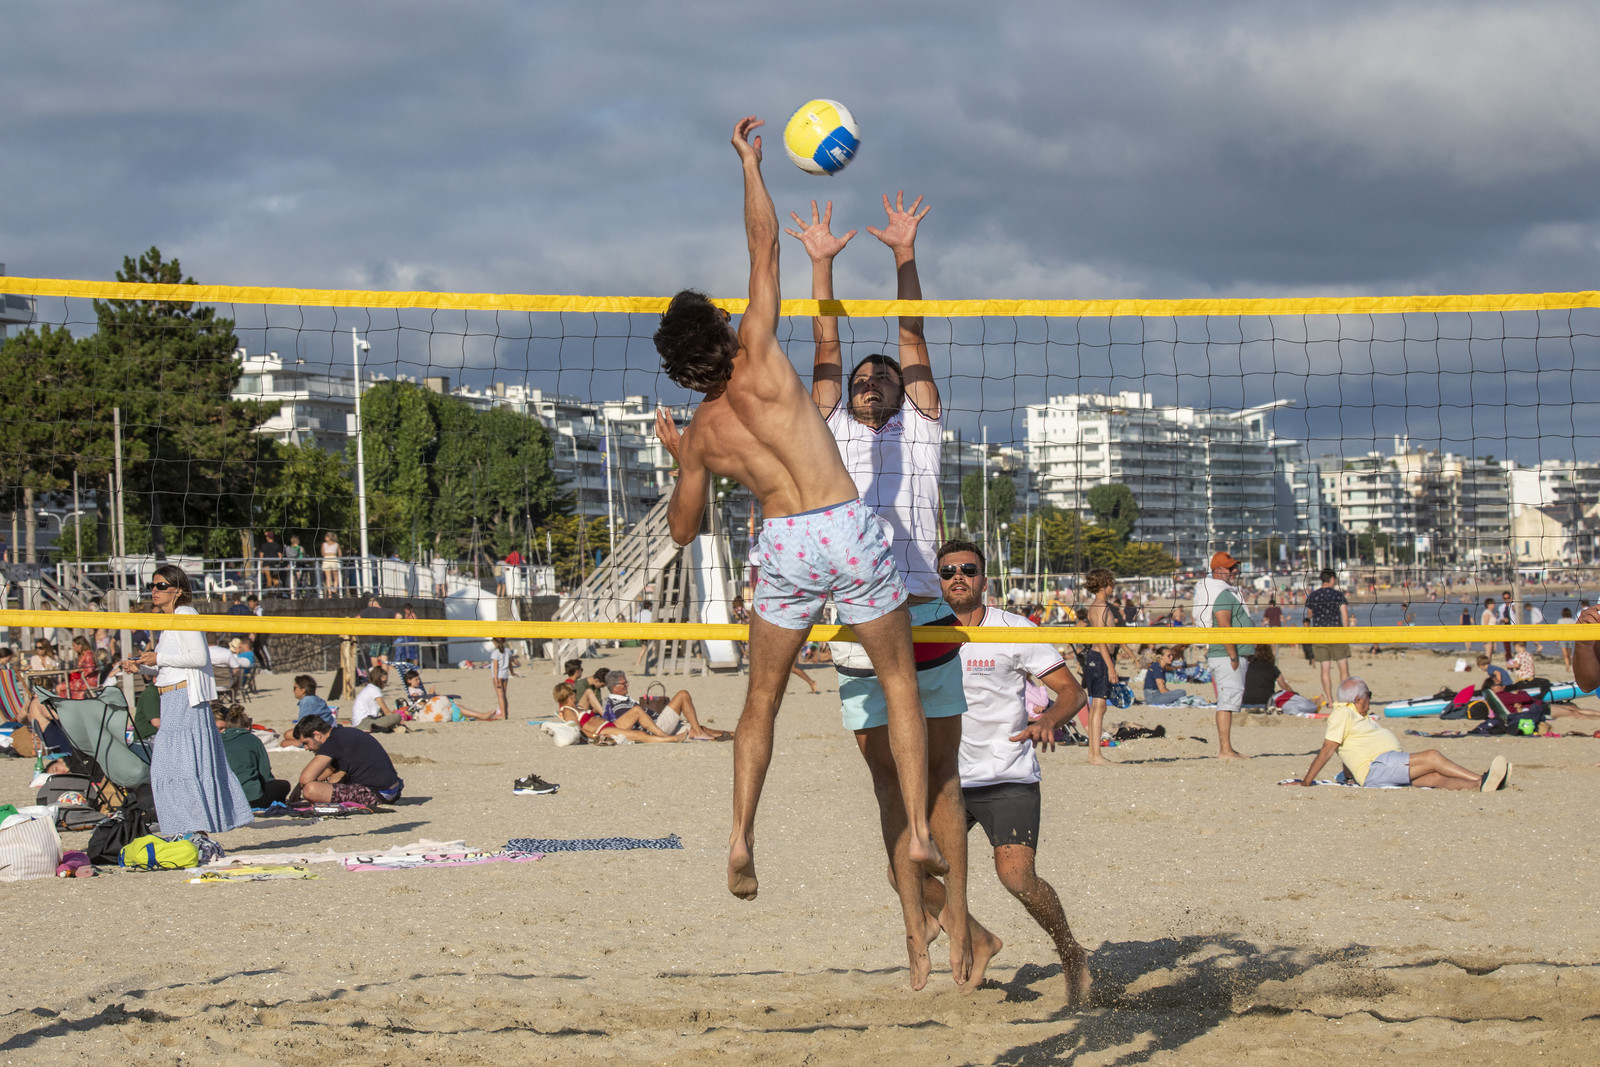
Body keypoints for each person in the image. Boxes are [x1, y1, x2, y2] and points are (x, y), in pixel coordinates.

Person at [651, 116, 951, 985]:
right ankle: (920, 831)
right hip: (842, 523)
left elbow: (681, 532)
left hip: (782, 541)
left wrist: (682, 460)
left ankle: (741, 833)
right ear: (721, 328)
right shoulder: (761, 354)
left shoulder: (703, 433)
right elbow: (764, 243)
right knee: (899, 682)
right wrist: (751, 163)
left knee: (761, 702)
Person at [787, 186, 976, 986]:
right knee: (885, 785)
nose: (870, 378)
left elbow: (911, 334)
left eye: (883, 375)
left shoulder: (922, 427)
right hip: (858, 616)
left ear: (905, 391)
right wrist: (820, 267)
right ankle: (918, 927)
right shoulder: (830, 427)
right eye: (862, 376)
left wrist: (904, 254)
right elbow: (826, 344)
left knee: (942, 782)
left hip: (924, 610)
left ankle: (959, 922)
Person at [931, 538, 1092, 1003]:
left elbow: (1072, 692)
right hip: (946, 780)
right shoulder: (924, 630)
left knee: (1017, 877)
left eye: (968, 570)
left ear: (984, 580)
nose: (958, 577)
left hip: (1007, 775)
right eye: (948, 571)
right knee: (904, 868)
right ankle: (980, 938)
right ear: (938, 581)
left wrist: (1049, 720)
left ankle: (1070, 951)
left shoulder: (1014, 629)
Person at [116, 565, 253, 835]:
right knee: (174, 768)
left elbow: (199, 658)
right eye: (152, 586)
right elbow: (173, 666)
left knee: (178, 767)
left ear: (178, 591)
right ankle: (189, 829)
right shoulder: (169, 621)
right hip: (171, 697)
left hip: (184, 698)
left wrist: (158, 657)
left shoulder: (185, 614)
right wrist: (141, 667)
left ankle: (194, 829)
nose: (154, 590)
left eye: (161, 586)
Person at [1290, 678, 1510, 791]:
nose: (1370, 700)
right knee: (1433, 756)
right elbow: (1328, 749)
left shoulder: (1355, 716)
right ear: (1358, 699)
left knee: (1435, 778)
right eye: (1369, 695)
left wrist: (1348, 776)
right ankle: (1480, 778)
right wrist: (1306, 782)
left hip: (1384, 766)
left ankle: (1478, 786)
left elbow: (1347, 750)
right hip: (1378, 767)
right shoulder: (1343, 713)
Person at [1191, 551, 1251, 759]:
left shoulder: (1224, 591)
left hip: (1228, 654)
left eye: (1235, 567)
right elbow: (1224, 626)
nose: (1235, 571)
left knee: (1229, 701)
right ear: (1217, 570)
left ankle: (1227, 748)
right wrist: (1233, 656)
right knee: (1227, 702)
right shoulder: (1222, 594)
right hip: (1227, 656)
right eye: (1230, 568)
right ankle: (1225, 750)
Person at [287, 716, 404, 806]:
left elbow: (305, 779)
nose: (306, 748)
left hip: (376, 793)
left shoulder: (332, 742)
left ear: (317, 735)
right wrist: (299, 787)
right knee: (332, 778)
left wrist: (303, 786)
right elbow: (329, 770)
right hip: (392, 791)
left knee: (311, 790)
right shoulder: (343, 733)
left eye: (306, 743)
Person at [602, 670, 728, 739]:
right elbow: (633, 724)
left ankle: (733, 735)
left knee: (702, 729)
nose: (627, 685)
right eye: (624, 684)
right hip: (656, 728)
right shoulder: (618, 705)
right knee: (682, 695)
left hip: (658, 725)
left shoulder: (621, 701)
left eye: (626, 682)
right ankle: (699, 733)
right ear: (614, 687)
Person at [555, 681, 685, 743]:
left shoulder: (577, 707)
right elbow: (576, 730)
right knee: (639, 734)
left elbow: (588, 692)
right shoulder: (568, 711)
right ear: (568, 695)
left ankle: (662, 735)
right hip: (602, 731)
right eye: (573, 692)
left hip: (610, 725)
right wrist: (594, 737)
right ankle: (670, 739)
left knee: (637, 710)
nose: (576, 694)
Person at [1079, 568, 1120, 765]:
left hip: (1095, 658)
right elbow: (1101, 640)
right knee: (1099, 706)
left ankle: (1093, 754)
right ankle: (1096, 755)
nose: (1113, 588)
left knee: (1096, 706)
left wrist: (1130, 654)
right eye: (1111, 584)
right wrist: (1111, 667)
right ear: (1104, 585)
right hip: (1101, 658)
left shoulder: (1094, 606)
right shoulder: (1102, 607)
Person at [214, 704, 291, 807]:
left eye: (221, 728)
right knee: (283, 785)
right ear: (248, 727)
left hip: (224, 799)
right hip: (251, 799)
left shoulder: (213, 743)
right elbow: (265, 774)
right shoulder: (253, 739)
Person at [1304, 568, 1352, 703]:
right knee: (1343, 668)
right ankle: (1344, 699)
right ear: (1332, 579)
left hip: (1320, 634)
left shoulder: (1313, 596)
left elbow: (1309, 615)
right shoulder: (1338, 595)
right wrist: (1346, 632)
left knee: (1325, 669)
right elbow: (1345, 617)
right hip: (1337, 633)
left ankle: (1330, 700)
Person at [351, 664, 403, 733]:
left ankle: (387, 728)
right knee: (397, 716)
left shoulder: (370, 688)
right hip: (364, 722)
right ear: (378, 680)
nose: (385, 684)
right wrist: (398, 721)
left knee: (386, 718)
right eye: (384, 681)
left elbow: (383, 712)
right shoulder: (374, 690)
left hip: (359, 722)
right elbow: (386, 712)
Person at [488, 637, 515, 717]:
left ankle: (503, 714)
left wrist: (495, 678)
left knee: (500, 696)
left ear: (495, 642)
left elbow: (495, 666)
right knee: (504, 695)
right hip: (505, 675)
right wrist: (512, 672)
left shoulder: (495, 653)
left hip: (498, 675)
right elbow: (510, 663)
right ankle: (506, 713)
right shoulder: (507, 651)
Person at [321, 532, 342, 597]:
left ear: (329, 537)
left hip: (327, 559)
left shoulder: (325, 544)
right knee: (333, 576)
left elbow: (323, 553)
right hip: (333, 558)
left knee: (330, 577)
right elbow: (340, 554)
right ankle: (333, 591)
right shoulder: (336, 544)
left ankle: (331, 592)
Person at [1559, 607, 1575, 671]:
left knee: (1565, 654)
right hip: (1570, 638)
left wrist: (1556, 640)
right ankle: (1568, 666)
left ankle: (1568, 666)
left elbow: (1558, 631)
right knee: (1568, 653)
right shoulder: (1572, 621)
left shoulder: (1560, 621)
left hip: (1563, 638)